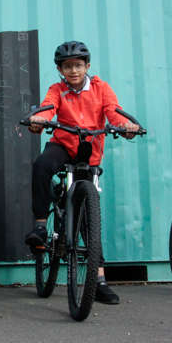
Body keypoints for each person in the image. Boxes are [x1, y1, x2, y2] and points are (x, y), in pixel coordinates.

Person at [23, 41, 139, 305]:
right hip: (63, 145)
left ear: (87, 66)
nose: (73, 71)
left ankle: (98, 280)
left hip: (89, 150)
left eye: (77, 65)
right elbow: (48, 107)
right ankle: (41, 227)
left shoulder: (101, 88)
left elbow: (113, 112)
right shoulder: (58, 89)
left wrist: (126, 126)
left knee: (89, 216)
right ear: (60, 70)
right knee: (42, 165)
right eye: (67, 67)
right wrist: (38, 120)